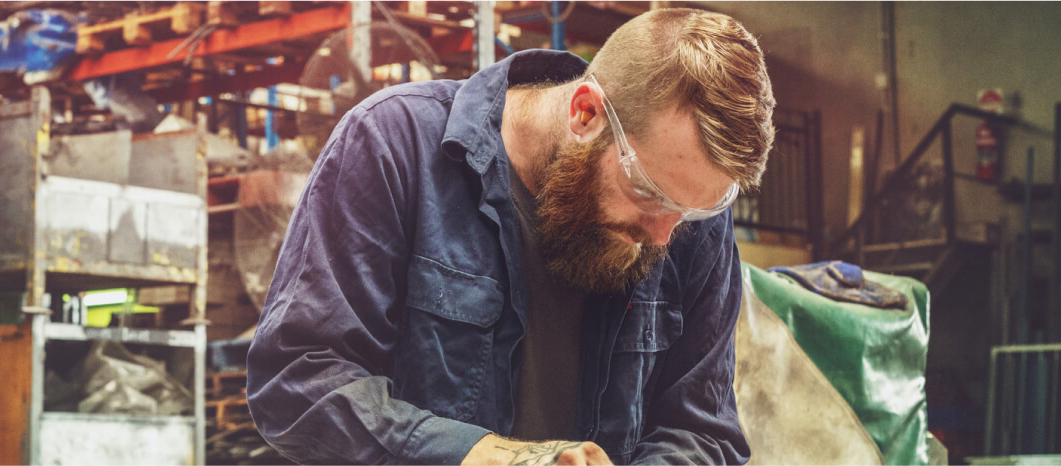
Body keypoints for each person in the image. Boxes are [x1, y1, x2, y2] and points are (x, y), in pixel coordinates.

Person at [246, 8, 775, 465]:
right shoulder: (393, 145)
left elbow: (704, 429)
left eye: (691, 211)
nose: (664, 236)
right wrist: (482, 455)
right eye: (649, 192)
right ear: (585, 113)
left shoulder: (687, 214)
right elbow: (297, 380)